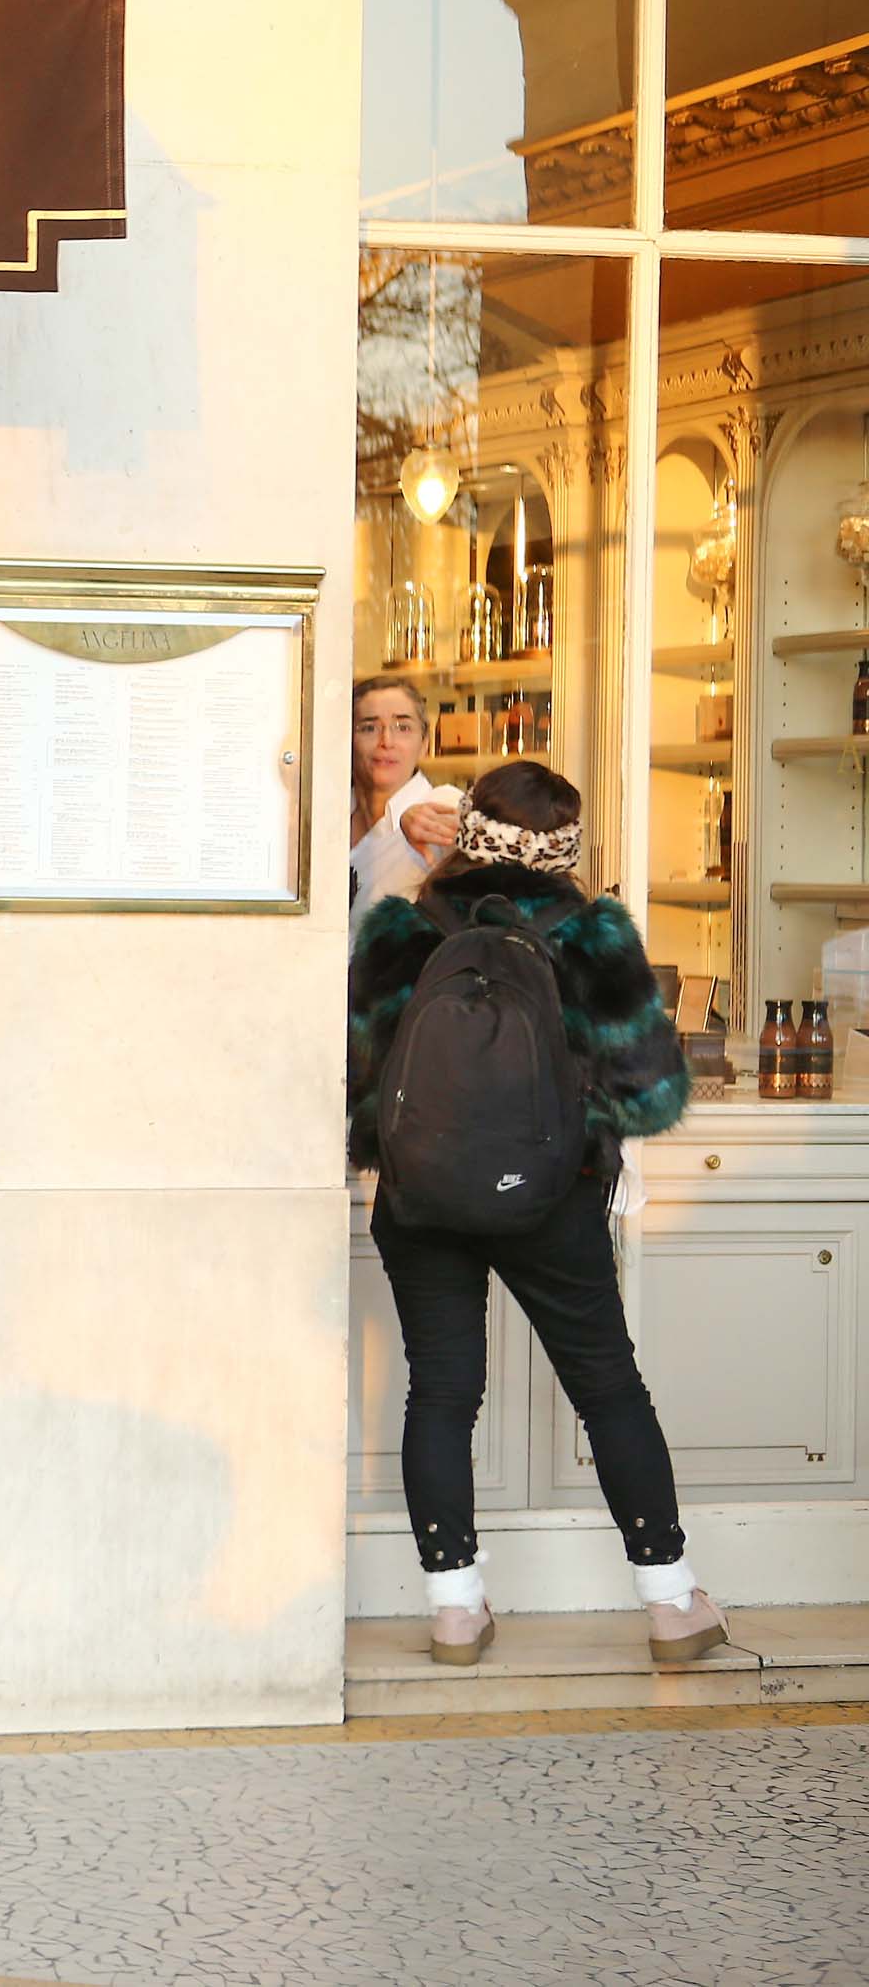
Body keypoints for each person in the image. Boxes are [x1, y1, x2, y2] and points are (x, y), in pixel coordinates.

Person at [347, 761, 714, 1668]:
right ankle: (671, 1603)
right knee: (607, 1387)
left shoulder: (404, 925)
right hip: (552, 1199)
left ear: (470, 833)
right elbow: (652, 1089)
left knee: (440, 1390)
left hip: (421, 1199)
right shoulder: (591, 934)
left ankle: (455, 1608)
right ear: (564, 849)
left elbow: (360, 1084)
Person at [348, 676, 460, 926]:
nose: (386, 741)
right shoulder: (326, 818)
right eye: (369, 727)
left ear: (425, 744)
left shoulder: (443, 804)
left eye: (403, 727)